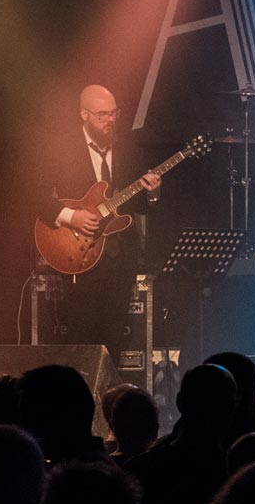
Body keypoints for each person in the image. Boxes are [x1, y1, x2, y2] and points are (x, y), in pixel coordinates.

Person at [32, 84, 163, 352]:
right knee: (82, 336)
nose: (110, 120)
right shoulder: (63, 148)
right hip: (80, 252)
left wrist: (153, 194)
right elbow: (32, 191)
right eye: (102, 115)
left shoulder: (128, 147)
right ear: (84, 114)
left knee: (114, 339)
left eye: (114, 113)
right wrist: (71, 217)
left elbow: (137, 204)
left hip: (120, 256)